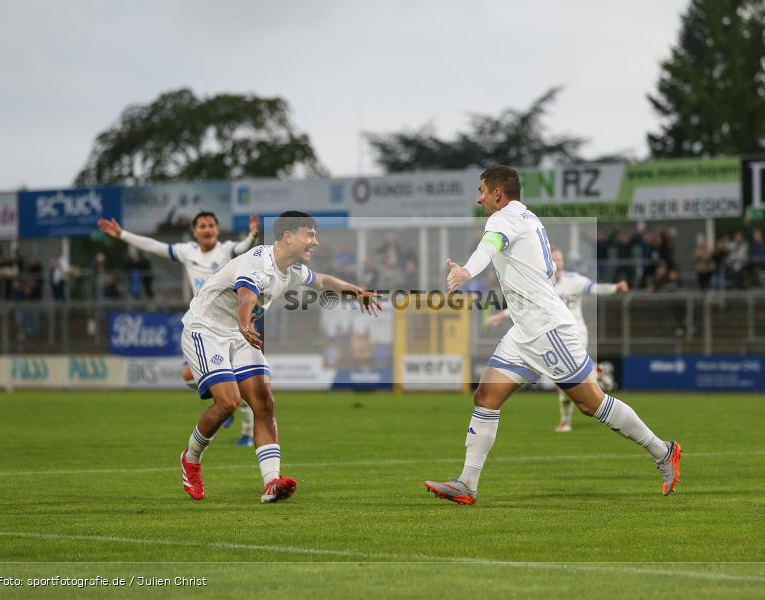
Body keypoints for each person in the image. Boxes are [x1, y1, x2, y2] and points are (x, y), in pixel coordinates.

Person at [424, 166, 681, 505]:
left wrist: (466, 271)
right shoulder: (527, 217)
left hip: (547, 329)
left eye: (482, 191)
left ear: (498, 194)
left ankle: (664, 451)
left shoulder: (503, 219)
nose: (478, 198)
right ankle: (467, 484)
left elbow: (489, 246)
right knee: (486, 396)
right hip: (525, 330)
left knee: (591, 403)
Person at [178, 211, 379, 502]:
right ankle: (191, 458)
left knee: (264, 403)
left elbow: (322, 280)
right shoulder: (258, 263)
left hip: (240, 333)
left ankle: (272, 482)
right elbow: (246, 296)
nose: (315, 242)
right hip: (206, 329)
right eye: (309, 235)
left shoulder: (292, 269)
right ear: (288, 236)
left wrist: (356, 291)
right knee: (229, 402)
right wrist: (245, 323)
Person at [98, 211, 261, 446]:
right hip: (203, 324)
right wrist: (122, 234)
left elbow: (244, 247)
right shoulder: (187, 252)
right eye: (202, 226)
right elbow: (154, 246)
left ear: (217, 229)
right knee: (188, 374)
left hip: (230, 323)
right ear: (194, 232)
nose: (207, 229)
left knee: (241, 380)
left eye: (211, 225)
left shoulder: (227, 250)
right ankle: (224, 400)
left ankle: (247, 430)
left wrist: (253, 235)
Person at [486, 248, 629, 432]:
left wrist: (615, 288)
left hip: (575, 334)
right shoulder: (541, 282)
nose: (557, 263)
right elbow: (526, 305)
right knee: (565, 382)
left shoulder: (574, 280)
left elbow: (594, 288)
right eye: (554, 259)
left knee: (565, 382)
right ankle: (596, 374)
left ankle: (565, 420)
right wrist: (502, 315)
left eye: (560, 260)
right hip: (552, 335)